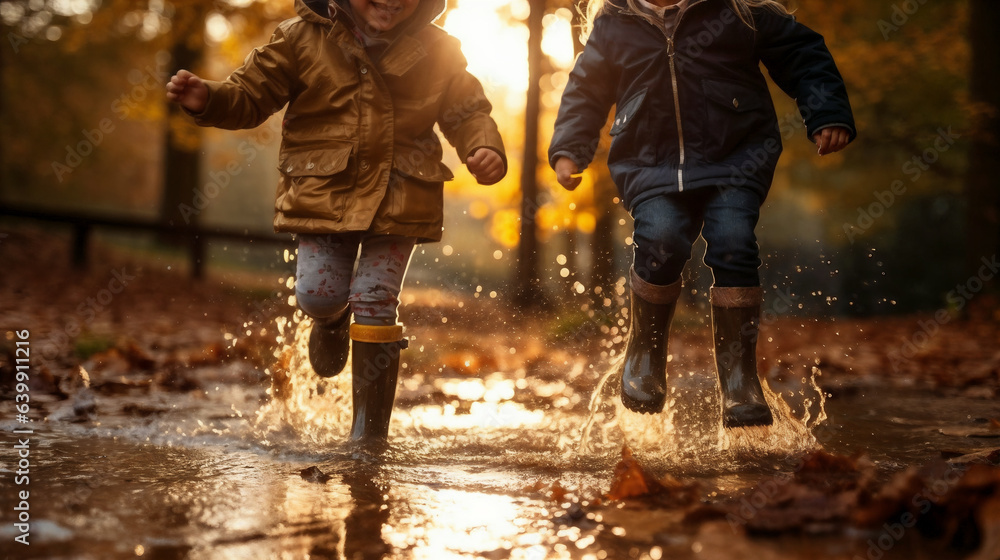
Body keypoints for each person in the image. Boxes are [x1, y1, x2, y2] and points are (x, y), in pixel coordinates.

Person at [167, 0, 506, 442]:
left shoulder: (438, 48)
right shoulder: (300, 38)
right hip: (324, 190)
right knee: (317, 295)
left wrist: (484, 147)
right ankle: (330, 319)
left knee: (375, 298)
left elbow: (467, 111)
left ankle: (369, 433)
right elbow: (251, 95)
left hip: (401, 192)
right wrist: (209, 99)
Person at [549, 0, 854, 428]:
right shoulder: (614, 24)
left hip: (736, 157)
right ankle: (644, 354)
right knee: (661, 238)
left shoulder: (740, 13)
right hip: (648, 161)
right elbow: (585, 90)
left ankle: (739, 375)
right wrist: (570, 148)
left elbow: (803, 55)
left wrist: (827, 112)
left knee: (733, 241)